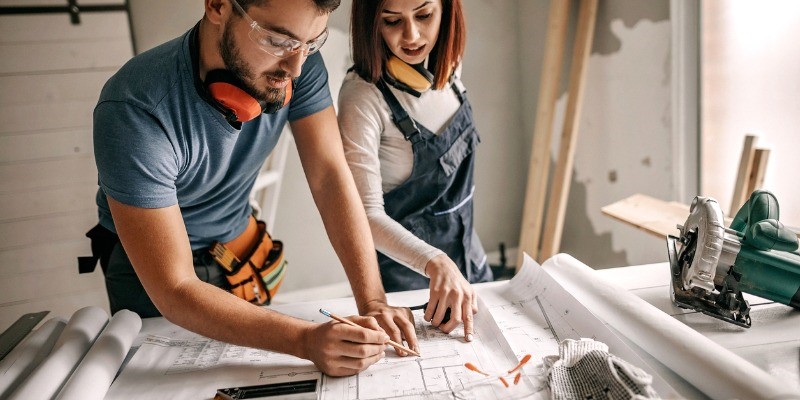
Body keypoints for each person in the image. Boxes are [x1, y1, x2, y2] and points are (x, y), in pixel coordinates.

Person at [85, 0, 419, 376]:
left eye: (311, 44)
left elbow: (329, 175)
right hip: (151, 276)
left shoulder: (296, 65)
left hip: (236, 250)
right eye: (278, 40)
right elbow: (175, 287)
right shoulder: (134, 108)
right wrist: (304, 341)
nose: (295, 67)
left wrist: (372, 301)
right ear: (217, 6)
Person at [338, 0, 493, 345]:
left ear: (447, 11)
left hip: (471, 264)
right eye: (392, 21)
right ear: (372, 25)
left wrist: (460, 266)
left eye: (424, 15)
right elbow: (364, 216)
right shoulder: (363, 98)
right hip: (410, 283)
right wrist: (435, 261)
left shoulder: (448, 70)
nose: (411, 36)